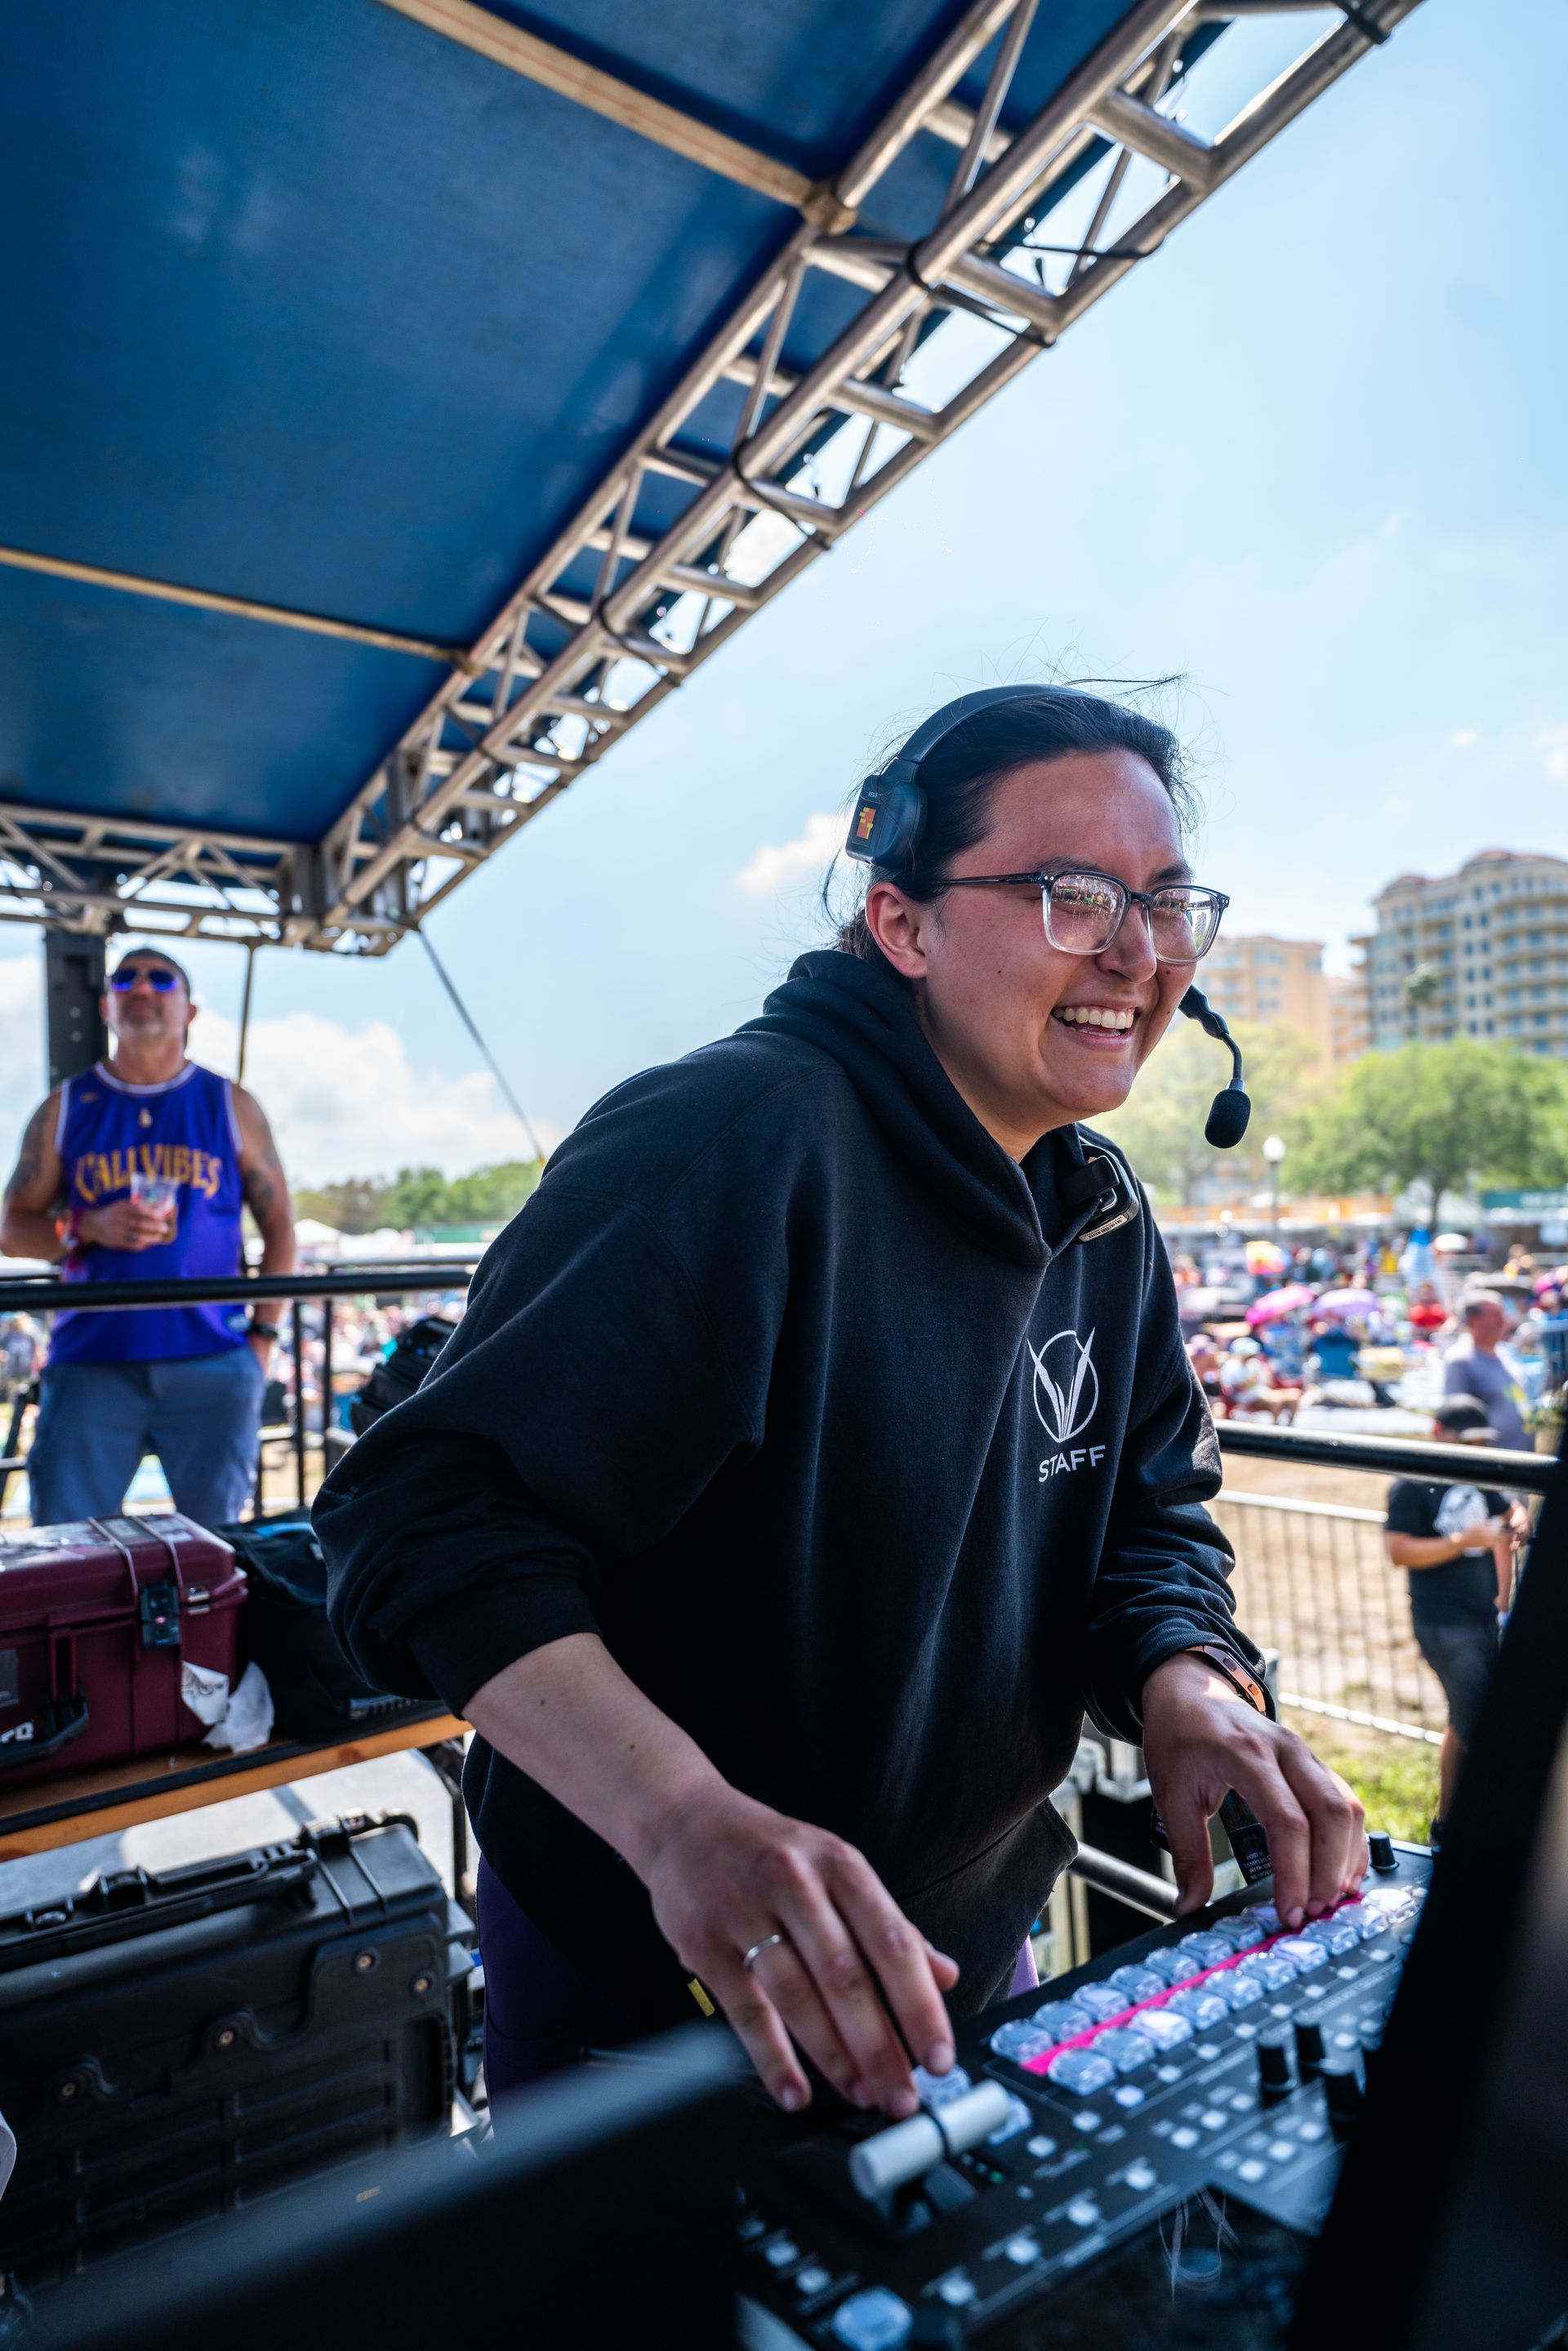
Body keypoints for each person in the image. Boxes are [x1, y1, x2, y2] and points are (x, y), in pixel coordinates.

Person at [317, 685, 1364, 2124]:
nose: (1139, 951)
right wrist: (684, 1821)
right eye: (1074, 894)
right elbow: (423, 1517)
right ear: (901, 924)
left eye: (1170, 900)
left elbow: (1148, 1514)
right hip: (659, 1968)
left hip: (963, 1944)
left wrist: (1186, 1671)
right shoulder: (728, 1141)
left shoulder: (1102, 1208)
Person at [0, 947, 296, 1528]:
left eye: (161, 979)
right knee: (69, 1540)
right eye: (125, 979)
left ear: (189, 1010)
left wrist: (260, 1342)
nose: (142, 988)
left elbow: (282, 1226)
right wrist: (85, 1225)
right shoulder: (65, 1107)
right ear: (107, 1006)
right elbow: (11, 1227)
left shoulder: (229, 1102)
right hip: (92, 1359)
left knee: (218, 1550)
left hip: (213, 1359)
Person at [1383, 1396, 1525, 1832]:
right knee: (1481, 1720)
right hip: (1443, 1625)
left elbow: (1511, 1508)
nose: (1476, 1448)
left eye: (1482, 1442)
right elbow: (1399, 1550)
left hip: (1483, 1619)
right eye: (1469, 1440)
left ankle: (1446, 1825)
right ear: (1439, 1433)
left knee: (1463, 1722)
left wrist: (1516, 1521)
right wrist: (1463, 1541)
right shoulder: (1410, 1482)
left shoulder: (1475, 1470)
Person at [1443, 1293, 1529, 1453]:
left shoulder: (1507, 1353)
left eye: (1502, 1314)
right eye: (1495, 1315)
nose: (1502, 1321)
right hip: (1492, 1463)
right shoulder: (1460, 1360)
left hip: (1522, 1458)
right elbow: (1455, 1417)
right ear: (1473, 1321)